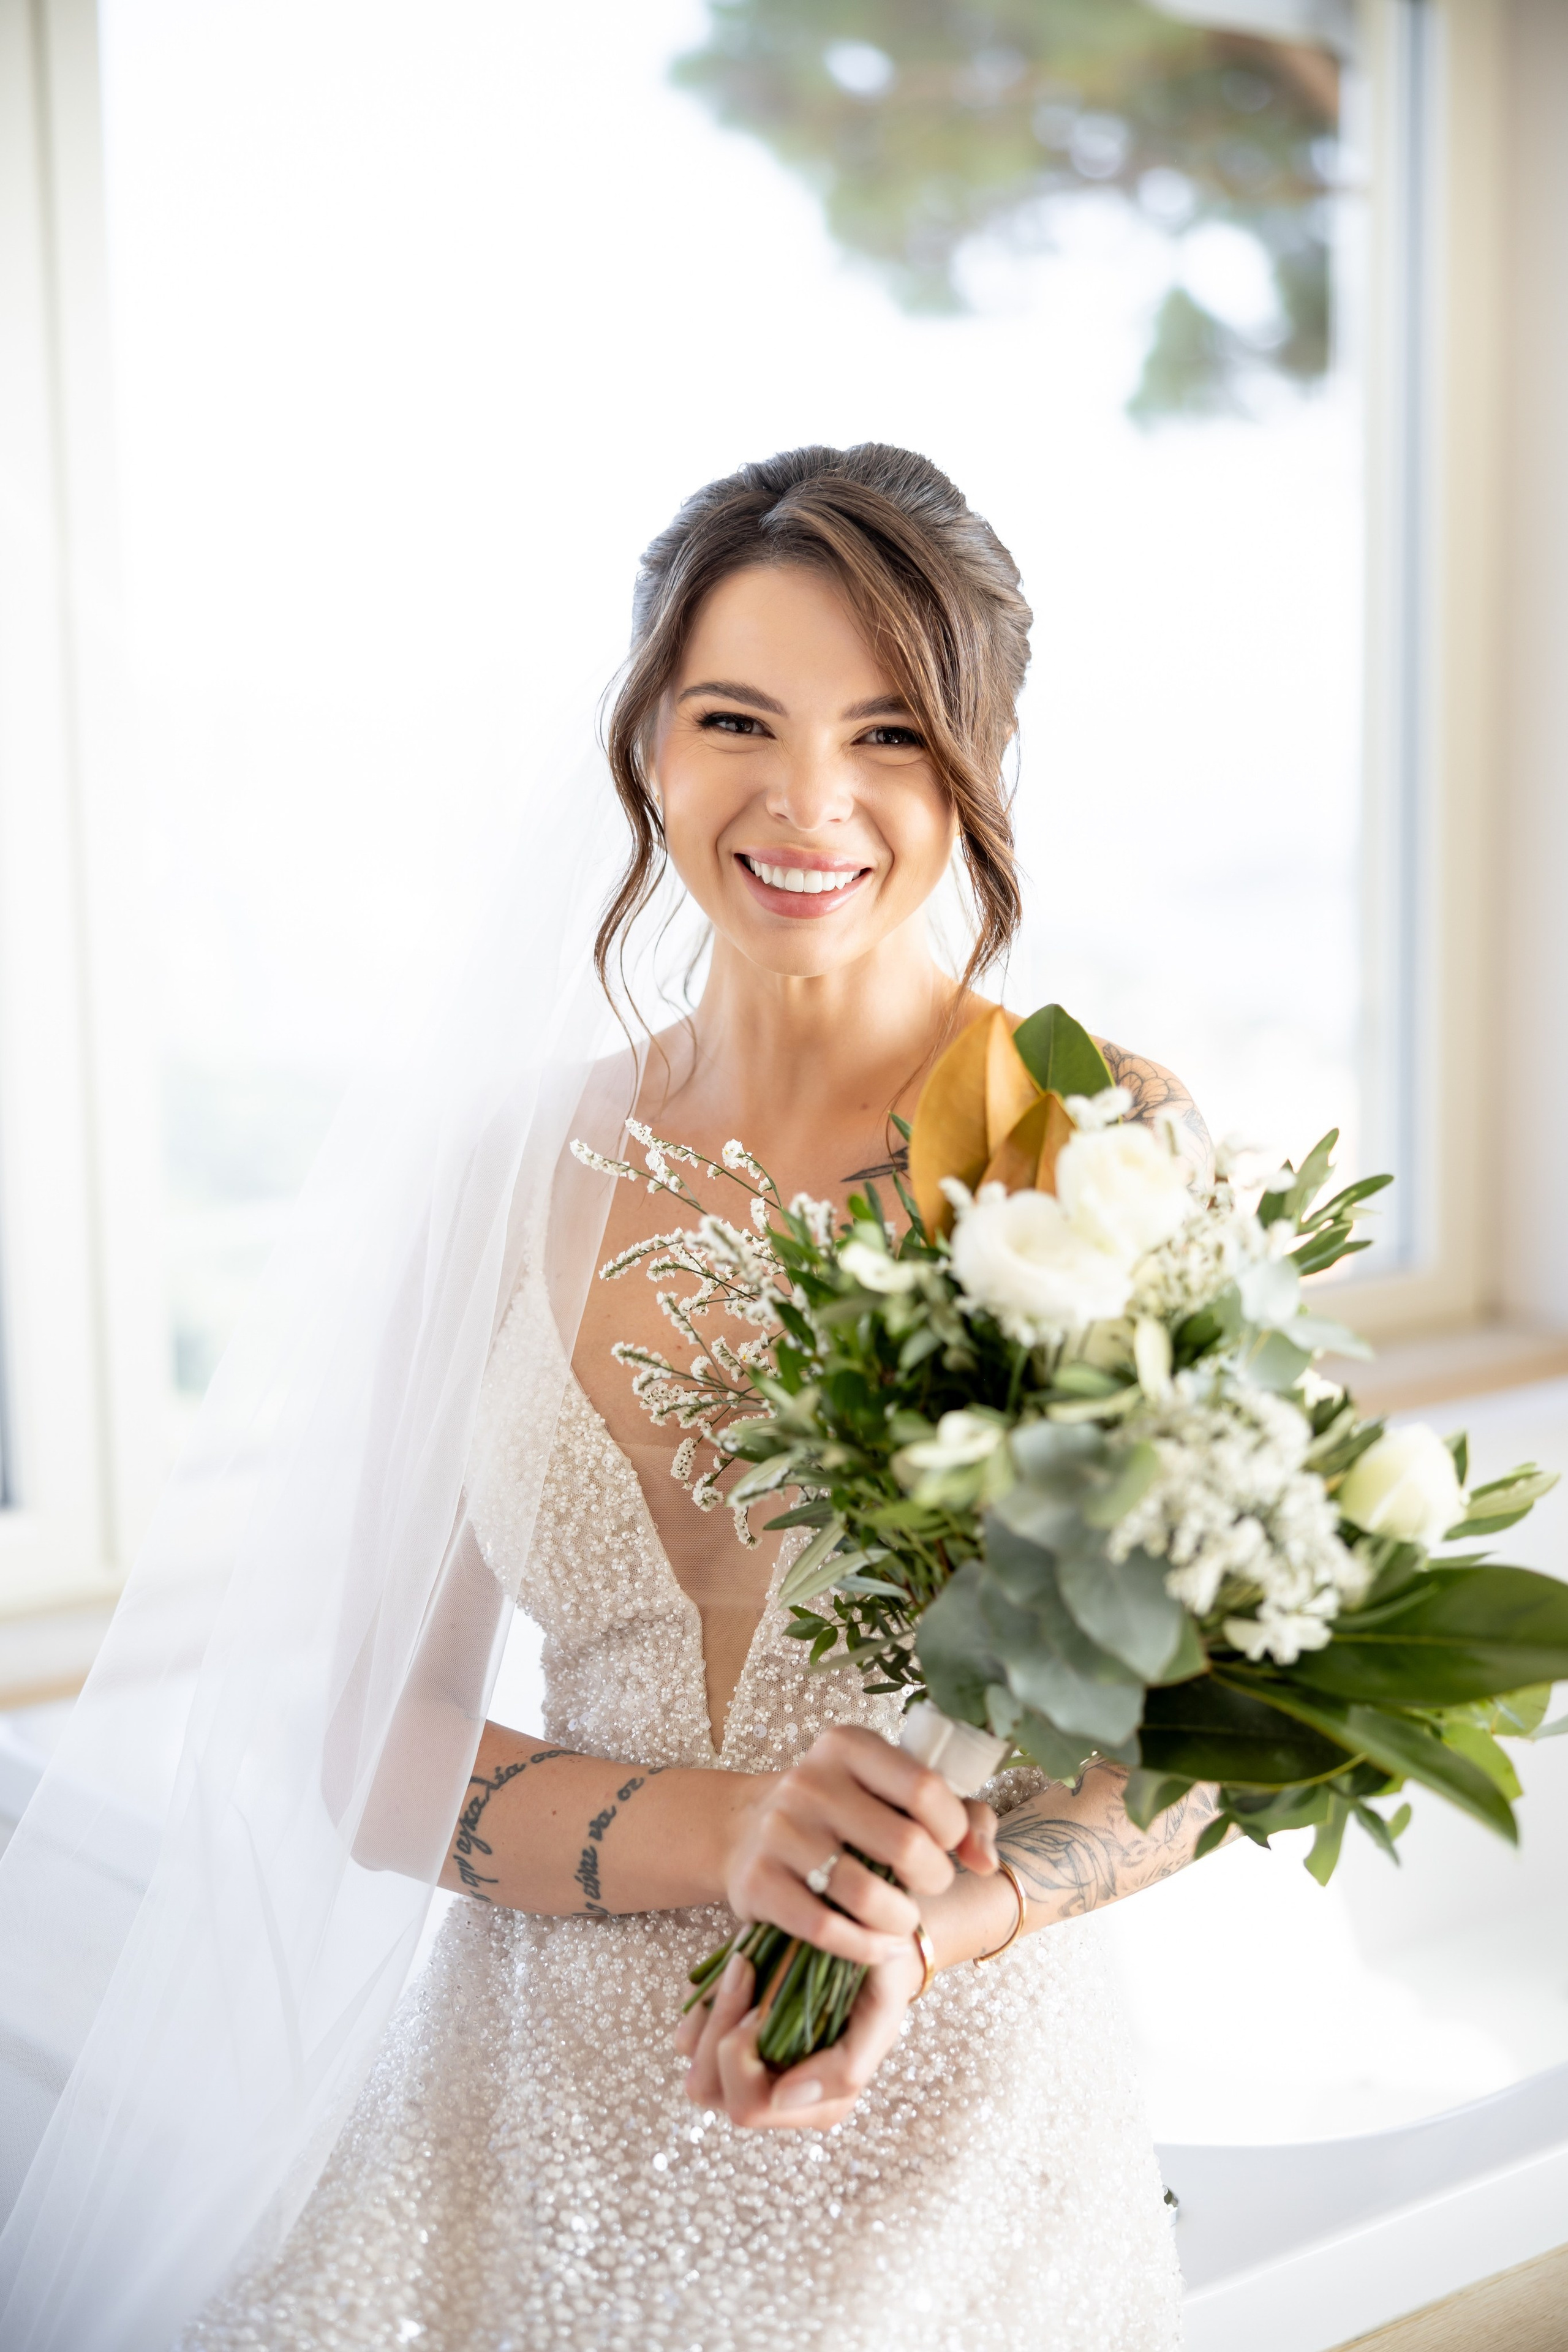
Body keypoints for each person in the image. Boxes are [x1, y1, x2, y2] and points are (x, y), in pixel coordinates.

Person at [176, 443, 1218, 2350]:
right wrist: (738, 1835)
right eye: (738, 718)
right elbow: (376, 1745)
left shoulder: (1104, 1145)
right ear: (647, 737)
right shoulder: (502, 1171)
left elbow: (1211, 1726)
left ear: (977, 765)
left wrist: (920, 1925)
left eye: (890, 735)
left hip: (961, 2118)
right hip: (527, 2118)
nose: (807, 801)